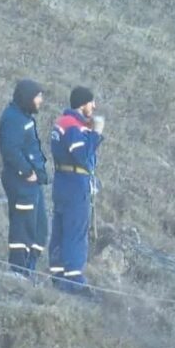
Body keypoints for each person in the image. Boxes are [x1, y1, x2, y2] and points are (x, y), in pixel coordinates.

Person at [48, 86, 104, 296]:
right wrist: (96, 134)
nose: (94, 106)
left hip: (62, 181)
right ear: (82, 104)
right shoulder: (73, 126)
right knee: (76, 231)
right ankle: (74, 281)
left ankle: (58, 274)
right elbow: (81, 155)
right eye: (91, 102)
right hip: (75, 184)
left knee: (60, 229)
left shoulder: (62, 122)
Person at [0, 79, 49, 277]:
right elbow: (10, 150)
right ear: (28, 97)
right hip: (20, 182)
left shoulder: (24, 117)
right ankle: (18, 270)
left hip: (32, 183)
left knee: (39, 227)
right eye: (38, 96)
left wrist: (39, 174)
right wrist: (27, 172)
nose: (40, 101)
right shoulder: (13, 118)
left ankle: (29, 268)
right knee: (22, 226)